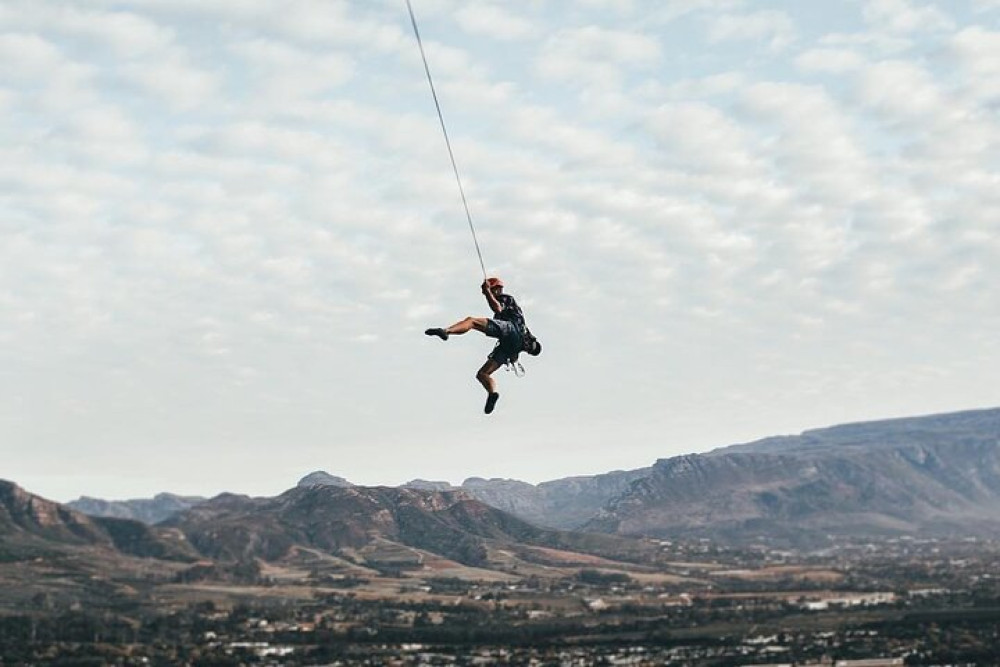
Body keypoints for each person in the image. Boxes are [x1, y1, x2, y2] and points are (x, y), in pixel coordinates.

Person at [425, 277, 541, 414]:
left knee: (472, 321)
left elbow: (498, 308)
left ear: (496, 289)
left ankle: (446, 331)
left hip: (511, 330)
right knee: (482, 374)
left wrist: (487, 292)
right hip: (509, 346)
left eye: (493, 290)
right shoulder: (518, 321)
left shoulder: (506, 299)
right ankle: (492, 393)